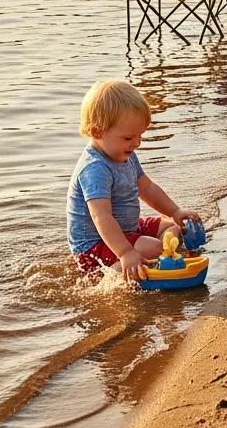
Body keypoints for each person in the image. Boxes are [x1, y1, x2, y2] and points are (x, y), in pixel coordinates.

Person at [67, 80, 201, 280]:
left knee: (170, 227)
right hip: (97, 245)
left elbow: (146, 188)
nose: (137, 143)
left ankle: (158, 250)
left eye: (140, 136)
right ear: (97, 132)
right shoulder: (94, 169)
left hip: (128, 227)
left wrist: (175, 211)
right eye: (129, 138)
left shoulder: (124, 154)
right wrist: (125, 252)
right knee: (155, 247)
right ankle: (122, 266)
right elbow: (101, 217)